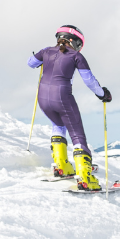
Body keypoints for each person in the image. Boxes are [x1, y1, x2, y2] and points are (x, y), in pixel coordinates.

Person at [28, 25, 112, 191]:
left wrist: (40, 59)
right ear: (72, 40)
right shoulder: (76, 56)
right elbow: (89, 80)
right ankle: (86, 178)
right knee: (77, 133)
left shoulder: (45, 51)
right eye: (79, 44)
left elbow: (31, 63)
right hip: (62, 97)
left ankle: (61, 167)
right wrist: (102, 94)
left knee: (58, 125)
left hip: (43, 98)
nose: (78, 48)